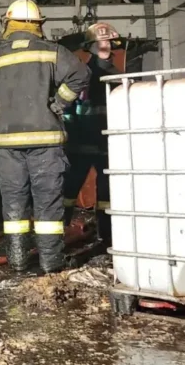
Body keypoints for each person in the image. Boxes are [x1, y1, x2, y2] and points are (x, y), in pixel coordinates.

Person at [0, 0, 90, 274]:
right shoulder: (53, 52)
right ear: (38, 25)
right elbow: (81, 75)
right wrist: (57, 104)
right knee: (47, 204)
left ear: (8, 25)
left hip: (8, 145)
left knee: (14, 203)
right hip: (46, 143)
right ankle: (51, 262)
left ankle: (17, 261)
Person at [63, 22, 121, 245]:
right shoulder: (82, 76)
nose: (105, 45)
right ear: (90, 46)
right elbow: (68, 109)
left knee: (107, 194)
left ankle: (107, 237)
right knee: (68, 191)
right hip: (82, 144)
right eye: (100, 41)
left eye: (107, 41)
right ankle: (56, 236)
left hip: (107, 145)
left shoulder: (119, 76)